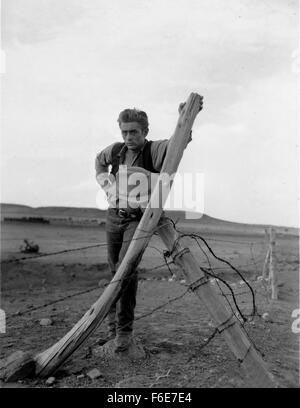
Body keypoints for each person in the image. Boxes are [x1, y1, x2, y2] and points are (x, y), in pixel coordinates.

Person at [95, 101, 202, 352]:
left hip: (138, 221)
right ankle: (112, 331)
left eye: (134, 132)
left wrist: (183, 118)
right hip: (114, 218)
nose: (129, 137)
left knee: (126, 271)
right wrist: (107, 186)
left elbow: (179, 141)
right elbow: (98, 162)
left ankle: (124, 332)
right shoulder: (116, 151)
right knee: (114, 274)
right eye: (125, 131)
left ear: (145, 131)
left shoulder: (153, 150)